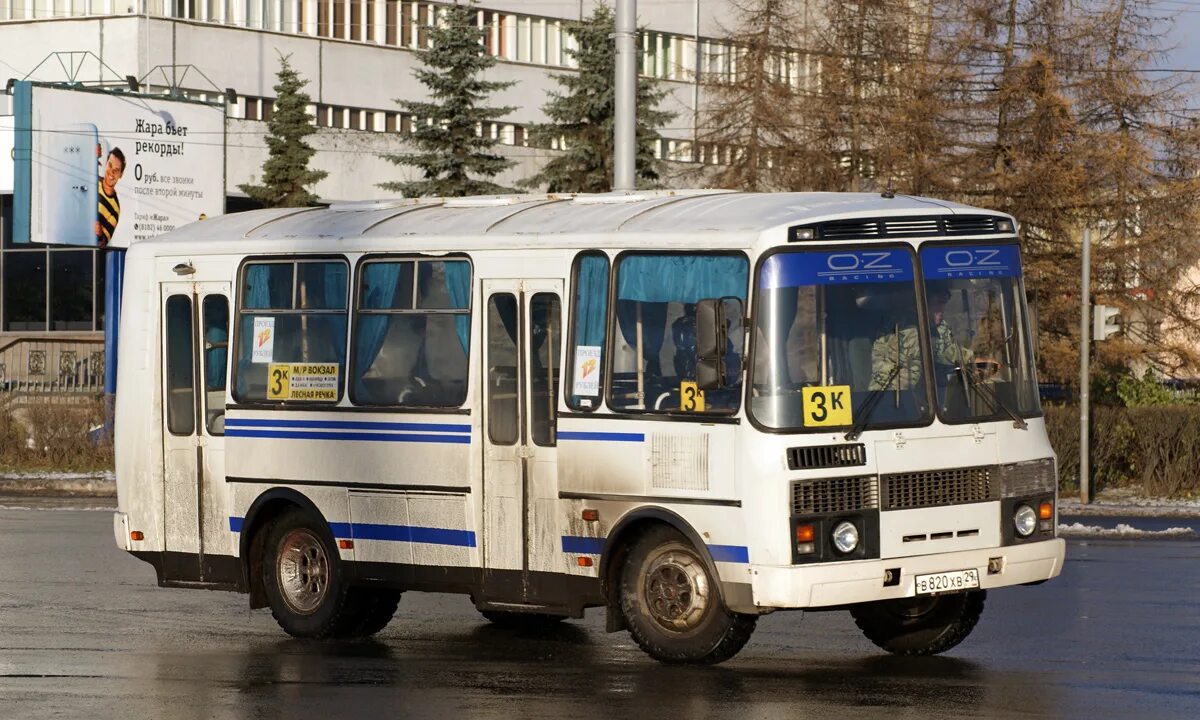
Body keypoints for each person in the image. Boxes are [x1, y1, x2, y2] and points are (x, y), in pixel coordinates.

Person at [869, 286, 972, 391]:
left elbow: (947, 350)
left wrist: (974, 358)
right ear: (922, 304)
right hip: (892, 393)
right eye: (937, 304)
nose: (942, 309)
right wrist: (969, 358)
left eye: (944, 304)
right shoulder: (907, 329)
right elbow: (939, 353)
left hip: (921, 394)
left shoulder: (938, 326)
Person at [95, 147, 125, 248]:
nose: (112, 172)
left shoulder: (115, 210)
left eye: (116, 170)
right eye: (110, 165)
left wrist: (99, 234)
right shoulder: (93, 180)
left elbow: (103, 243)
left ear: (121, 174)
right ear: (106, 163)